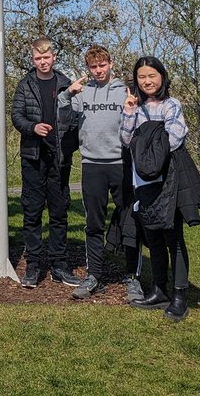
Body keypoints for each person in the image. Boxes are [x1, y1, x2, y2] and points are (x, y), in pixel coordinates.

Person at [120, 55, 200, 322]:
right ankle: (159, 290)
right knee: (154, 238)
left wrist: (146, 147)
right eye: (141, 77)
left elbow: (175, 137)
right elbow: (125, 140)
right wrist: (128, 113)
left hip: (169, 182)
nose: (146, 81)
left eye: (152, 76)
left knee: (173, 239)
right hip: (143, 183)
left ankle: (180, 295)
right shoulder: (134, 106)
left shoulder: (172, 105)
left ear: (162, 77)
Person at [67, 44, 141, 300]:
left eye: (102, 65)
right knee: (93, 223)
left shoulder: (124, 90)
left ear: (110, 64)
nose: (98, 70)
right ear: (87, 68)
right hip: (92, 165)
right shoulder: (82, 93)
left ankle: (132, 276)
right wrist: (67, 95)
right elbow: (62, 118)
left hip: (121, 163)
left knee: (130, 220)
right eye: (93, 66)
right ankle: (94, 276)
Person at [11, 36, 78, 288]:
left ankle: (59, 264)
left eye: (46, 57)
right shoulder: (25, 84)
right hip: (33, 156)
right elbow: (16, 115)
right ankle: (33, 265)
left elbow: (75, 116)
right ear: (33, 59)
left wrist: (70, 142)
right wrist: (32, 127)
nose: (42, 62)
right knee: (32, 212)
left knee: (59, 212)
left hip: (59, 159)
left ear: (54, 57)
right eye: (38, 58)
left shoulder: (65, 84)